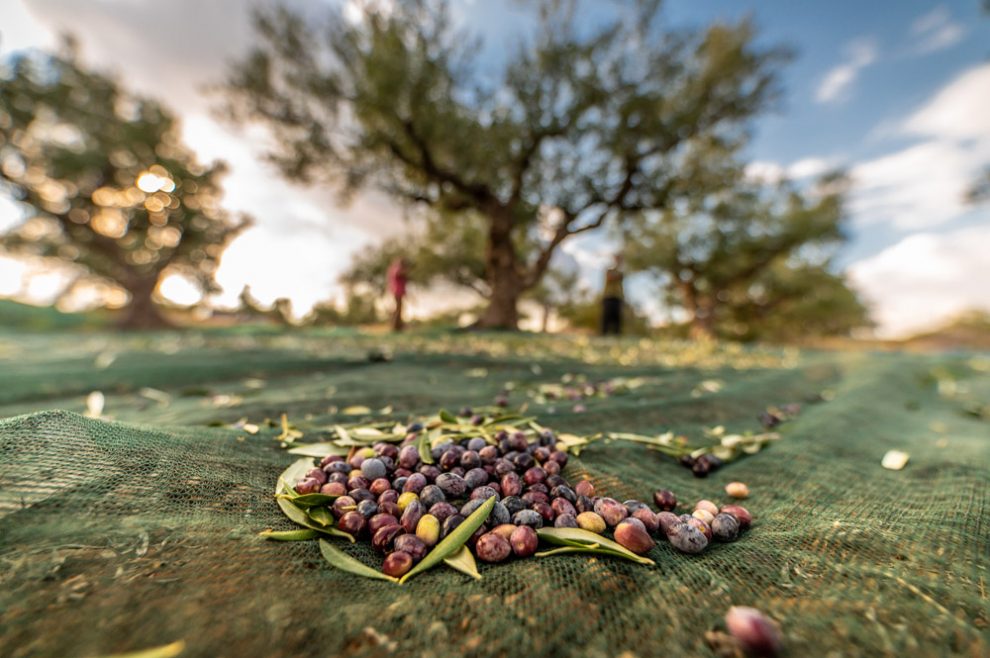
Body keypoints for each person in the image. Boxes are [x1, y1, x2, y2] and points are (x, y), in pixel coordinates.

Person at [601, 255, 624, 335]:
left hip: (617, 297)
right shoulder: (609, 270)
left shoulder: (621, 272)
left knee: (617, 317)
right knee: (606, 316)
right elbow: (610, 277)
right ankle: (604, 335)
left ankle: (616, 335)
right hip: (608, 296)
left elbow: (620, 278)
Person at [386, 257, 409, 332]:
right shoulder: (397, 268)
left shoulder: (395, 268)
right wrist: (405, 271)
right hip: (397, 291)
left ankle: (398, 326)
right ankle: (395, 327)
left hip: (398, 291)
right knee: (398, 309)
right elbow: (398, 274)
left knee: (399, 308)